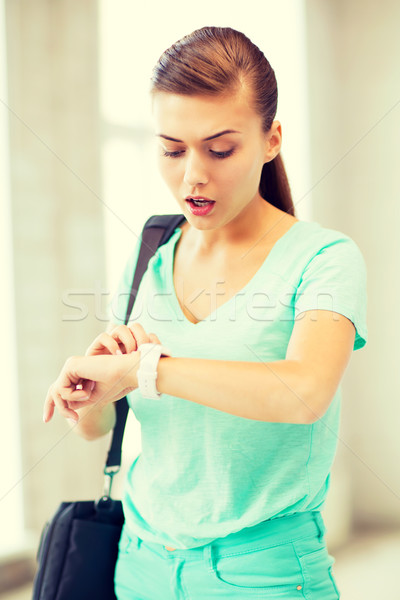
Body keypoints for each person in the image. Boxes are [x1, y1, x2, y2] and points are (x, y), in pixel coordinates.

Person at [43, 26, 367, 599]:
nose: (192, 174)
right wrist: (89, 397)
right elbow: (102, 429)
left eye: (220, 149)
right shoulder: (150, 253)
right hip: (139, 564)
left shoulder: (324, 258)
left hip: (263, 574)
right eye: (172, 149)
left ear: (271, 140)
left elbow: (304, 391)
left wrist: (146, 370)